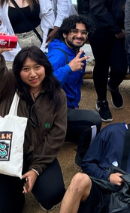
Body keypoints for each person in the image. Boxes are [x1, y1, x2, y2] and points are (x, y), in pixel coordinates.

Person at [0, 46, 68, 213]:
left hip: (35, 154)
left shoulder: (57, 94)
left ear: (45, 67)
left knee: (53, 194)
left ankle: (22, 176)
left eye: (37, 67)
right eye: (26, 69)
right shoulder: (9, 84)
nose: (33, 74)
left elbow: (56, 136)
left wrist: (35, 169)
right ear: (18, 71)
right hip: (4, 151)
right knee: (11, 209)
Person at [46, 15, 102, 162]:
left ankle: (58, 132)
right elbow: (44, 85)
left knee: (88, 131)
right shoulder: (58, 55)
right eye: (74, 31)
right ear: (64, 33)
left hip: (65, 107)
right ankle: (84, 158)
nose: (79, 35)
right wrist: (68, 68)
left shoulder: (76, 52)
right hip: (51, 112)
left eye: (83, 33)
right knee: (94, 121)